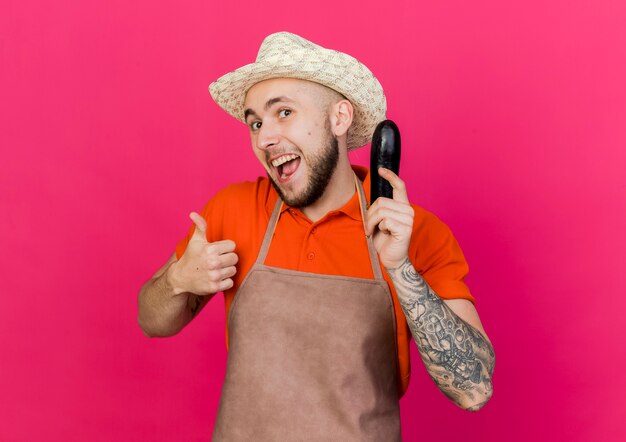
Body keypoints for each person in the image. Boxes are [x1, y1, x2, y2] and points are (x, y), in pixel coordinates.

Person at [138, 32, 495, 440]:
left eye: (284, 113)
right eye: (255, 122)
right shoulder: (231, 210)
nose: (264, 138)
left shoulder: (415, 233)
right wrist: (178, 281)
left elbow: (475, 389)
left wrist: (399, 268)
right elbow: (152, 321)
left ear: (339, 118)